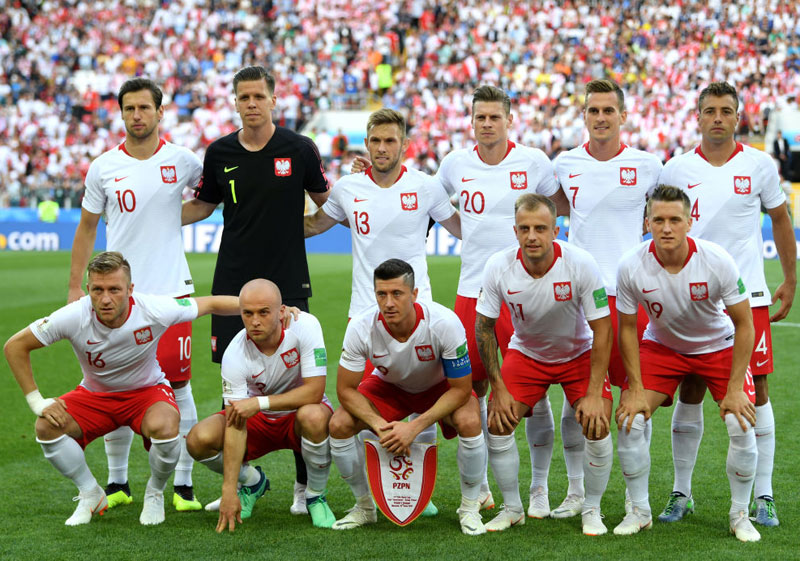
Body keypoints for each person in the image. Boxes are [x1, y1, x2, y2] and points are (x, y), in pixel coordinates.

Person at [181, 65, 330, 514]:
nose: (251, 104)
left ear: (272, 99)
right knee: (235, 384)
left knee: (305, 384)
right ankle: (247, 480)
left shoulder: (299, 149)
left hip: (287, 282)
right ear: (235, 101)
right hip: (234, 283)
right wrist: (149, 210)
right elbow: (204, 206)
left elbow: (331, 206)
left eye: (258, 96)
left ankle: (306, 490)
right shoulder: (220, 151)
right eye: (243, 97)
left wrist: (297, 229)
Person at [3, 251, 240, 526]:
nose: (105, 299)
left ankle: (155, 492)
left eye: (114, 289)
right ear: (88, 289)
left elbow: (211, 303)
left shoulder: (153, 309)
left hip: (147, 392)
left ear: (130, 290)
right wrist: (37, 401)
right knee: (46, 427)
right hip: (95, 395)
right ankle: (90, 493)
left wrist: (267, 307)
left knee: (165, 427)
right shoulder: (73, 315)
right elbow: (15, 346)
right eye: (97, 290)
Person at [658, 82, 796, 527]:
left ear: (738, 117)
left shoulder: (759, 165)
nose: (717, 117)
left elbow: (779, 218)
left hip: (748, 297)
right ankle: (682, 492)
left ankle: (765, 496)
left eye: (726, 111)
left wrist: (790, 279)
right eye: (710, 110)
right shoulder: (676, 169)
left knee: (757, 388)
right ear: (697, 117)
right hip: (690, 298)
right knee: (690, 388)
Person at [67, 78, 205, 512]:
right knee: (114, 385)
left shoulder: (182, 160)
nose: (137, 115)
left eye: (145, 107)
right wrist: (76, 287)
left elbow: (210, 200)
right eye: (129, 108)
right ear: (122, 113)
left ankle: (182, 484)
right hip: (116, 295)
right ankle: (118, 481)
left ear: (160, 112)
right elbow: (88, 227)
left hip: (171, 290)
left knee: (178, 384)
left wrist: (167, 216)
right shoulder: (103, 166)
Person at [434, 85, 567, 511]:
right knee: (467, 389)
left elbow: (558, 207)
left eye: (494, 117)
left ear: (510, 120)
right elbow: (434, 206)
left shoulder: (533, 162)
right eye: (480, 117)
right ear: (471, 120)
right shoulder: (455, 164)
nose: (486, 124)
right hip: (471, 292)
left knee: (532, 389)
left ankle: (540, 488)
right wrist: (468, 235)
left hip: (523, 294)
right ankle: (480, 487)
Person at [544, 79, 662, 519]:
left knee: (633, 397)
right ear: (584, 116)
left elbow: (672, 211)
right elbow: (547, 208)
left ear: (622, 115)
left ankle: (638, 501)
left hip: (627, 298)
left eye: (608, 110)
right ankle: (576, 492)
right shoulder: (565, 164)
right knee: (576, 398)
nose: (600, 118)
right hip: (574, 298)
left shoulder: (649, 165)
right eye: (593, 110)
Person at [614, 185, 760, 542]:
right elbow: (628, 329)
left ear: (689, 221)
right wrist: (634, 388)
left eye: (675, 219)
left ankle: (740, 514)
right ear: (646, 222)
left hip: (717, 346)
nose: (666, 228)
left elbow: (745, 324)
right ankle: (639, 510)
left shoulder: (716, 259)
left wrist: (736, 387)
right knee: (630, 420)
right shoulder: (631, 264)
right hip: (663, 348)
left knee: (740, 423)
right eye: (658, 219)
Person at [475, 194, 614, 535]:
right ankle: (512, 508)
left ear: (556, 230)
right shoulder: (498, 266)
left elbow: (602, 328)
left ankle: (591, 508)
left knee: (597, 423)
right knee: (497, 422)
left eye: (540, 228)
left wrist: (596, 392)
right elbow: (483, 328)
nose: (532, 236)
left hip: (577, 354)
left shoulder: (581, 263)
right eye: (524, 228)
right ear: (515, 231)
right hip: (527, 355)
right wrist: (499, 387)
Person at [328, 259, 487, 535]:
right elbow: (345, 390)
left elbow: (461, 389)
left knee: (470, 419)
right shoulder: (361, 326)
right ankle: (364, 506)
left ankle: (470, 508)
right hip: (390, 388)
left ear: (414, 295)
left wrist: (414, 427)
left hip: (438, 387)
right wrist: (380, 426)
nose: (388, 303)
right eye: (381, 294)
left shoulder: (444, 322)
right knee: (338, 424)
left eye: (397, 294)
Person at [187, 279, 335, 532]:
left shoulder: (305, 325)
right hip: (258, 421)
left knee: (314, 416)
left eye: (263, 312)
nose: (255, 321)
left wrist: (259, 402)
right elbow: (236, 422)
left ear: (281, 311)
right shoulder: (234, 352)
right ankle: (253, 482)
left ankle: (315, 495)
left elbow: (315, 391)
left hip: (299, 415)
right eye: (248, 313)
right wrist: (229, 488)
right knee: (198, 439)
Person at [304, 107, 460, 319]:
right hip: (364, 312)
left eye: (390, 141)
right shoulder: (348, 187)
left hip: (417, 310)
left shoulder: (426, 186)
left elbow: (462, 229)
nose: (381, 148)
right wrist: (263, 225)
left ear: (405, 144)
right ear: (366, 144)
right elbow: (313, 224)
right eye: (376, 141)